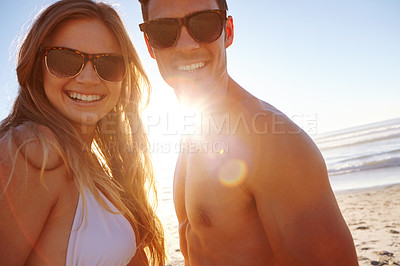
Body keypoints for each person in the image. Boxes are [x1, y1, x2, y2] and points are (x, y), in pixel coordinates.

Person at [138, 0, 359, 265]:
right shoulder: (194, 130)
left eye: (204, 23)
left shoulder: (272, 140)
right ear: (150, 45)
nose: (186, 45)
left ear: (227, 31)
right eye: (164, 31)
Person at [0, 0, 166, 265]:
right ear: (37, 66)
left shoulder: (90, 165)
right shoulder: (32, 150)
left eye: (109, 64)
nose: (88, 78)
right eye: (65, 59)